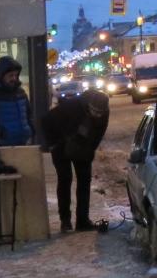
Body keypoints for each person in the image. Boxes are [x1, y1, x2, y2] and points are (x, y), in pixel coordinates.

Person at [41, 87, 109, 232]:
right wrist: (53, 144)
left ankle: (82, 221)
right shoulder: (72, 106)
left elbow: (98, 134)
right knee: (65, 179)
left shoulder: (104, 113)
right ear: (88, 105)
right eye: (94, 111)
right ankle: (65, 221)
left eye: (100, 113)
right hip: (61, 147)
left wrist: (90, 149)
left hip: (83, 148)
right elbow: (46, 121)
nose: (97, 115)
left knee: (84, 182)